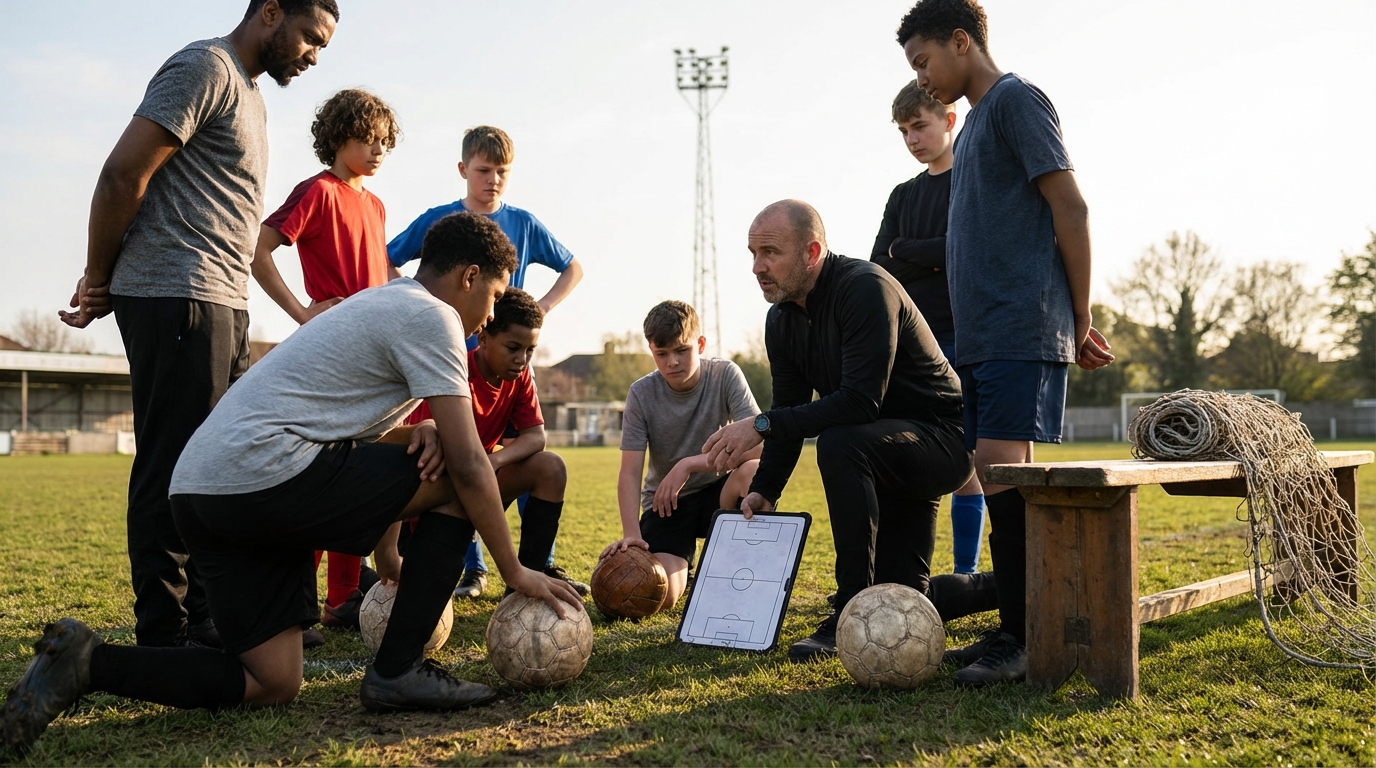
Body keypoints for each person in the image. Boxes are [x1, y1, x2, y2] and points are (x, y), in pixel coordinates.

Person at [1, 213, 584, 758]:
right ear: (469, 276)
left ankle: (85, 664)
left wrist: (413, 433)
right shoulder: (434, 317)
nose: (491, 310)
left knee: (271, 680)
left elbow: (324, 420)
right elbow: (470, 465)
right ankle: (398, 669)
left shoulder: (384, 304)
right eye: (492, 293)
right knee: (459, 483)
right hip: (261, 476)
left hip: (205, 492)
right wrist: (513, 569)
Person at [55, 0, 340, 650]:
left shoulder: (250, 94)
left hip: (221, 301)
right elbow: (123, 172)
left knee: (216, 465)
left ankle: (211, 618)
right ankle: (165, 630)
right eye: (310, 38)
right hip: (177, 293)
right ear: (271, 12)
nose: (313, 56)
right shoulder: (204, 66)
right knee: (173, 467)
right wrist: (99, 276)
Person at [897, 0, 1114, 686]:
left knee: (999, 468)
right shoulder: (979, 123)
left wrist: (1077, 319)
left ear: (962, 42)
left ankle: (1024, 638)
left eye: (923, 62)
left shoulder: (1018, 100)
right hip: (982, 337)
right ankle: (1015, 625)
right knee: (993, 477)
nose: (922, 78)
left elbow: (1070, 207)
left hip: (1024, 325)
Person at [702, 200, 998, 663]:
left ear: (812, 251)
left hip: (940, 439)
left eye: (770, 252)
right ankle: (1015, 586)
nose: (758, 267)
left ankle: (848, 608)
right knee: (906, 597)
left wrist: (759, 426)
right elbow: (791, 410)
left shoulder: (865, 287)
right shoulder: (781, 319)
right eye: (752, 253)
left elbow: (861, 402)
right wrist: (764, 490)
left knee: (840, 441)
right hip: (882, 448)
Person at [387, 125, 586, 599]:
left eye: (502, 172)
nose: (493, 179)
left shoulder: (523, 222)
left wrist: (539, 311)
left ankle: (539, 564)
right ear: (463, 171)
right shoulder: (441, 221)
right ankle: (470, 568)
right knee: (457, 457)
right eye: (483, 170)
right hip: (456, 361)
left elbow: (573, 267)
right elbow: (387, 255)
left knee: (524, 460)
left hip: (505, 353)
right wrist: (416, 305)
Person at [251, 87, 402, 633]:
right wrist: (301, 313)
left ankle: (343, 597)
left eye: (387, 141)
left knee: (359, 473)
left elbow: (380, 277)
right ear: (340, 137)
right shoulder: (316, 191)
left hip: (377, 355)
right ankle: (296, 603)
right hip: (331, 353)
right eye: (370, 138)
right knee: (323, 472)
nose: (380, 149)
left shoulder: (377, 204)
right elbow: (260, 250)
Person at [870, 80, 985, 576]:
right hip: (913, 347)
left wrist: (909, 250)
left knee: (970, 462)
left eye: (920, 125)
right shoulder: (902, 195)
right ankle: (898, 571)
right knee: (914, 460)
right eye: (903, 131)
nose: (912, 138)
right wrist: (931, 252)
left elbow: (969, 250)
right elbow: (879, 266)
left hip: (970, 337)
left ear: (949, 120)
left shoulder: (974, 181)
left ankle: (964, 573)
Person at [392, 288, 570, 592]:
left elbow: (535, 436)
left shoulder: (520, 377)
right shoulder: (453, 370)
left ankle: (525, 586)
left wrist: (495, 460)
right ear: (484, 338)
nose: (522, 359)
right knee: (426, 598)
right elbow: (411, 455)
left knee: (550, 466)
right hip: (435, 493)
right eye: (513, 347)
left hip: (478, 483)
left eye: (530, 350)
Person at [601, 301, 761, 612]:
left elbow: (759, 446)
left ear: (700, 344)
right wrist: (632, 534)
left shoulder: (726, 375)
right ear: (652, 351)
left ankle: (741, 569)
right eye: (662, 354)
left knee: (755, 472)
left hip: (719, 491)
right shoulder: (641, 393)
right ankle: (687, 574)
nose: (672, 362)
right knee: (661, 596)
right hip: (667, 501)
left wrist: (688, 464)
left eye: (682, 350)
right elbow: (630, 471)